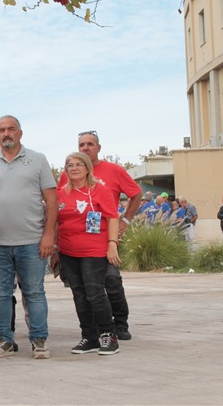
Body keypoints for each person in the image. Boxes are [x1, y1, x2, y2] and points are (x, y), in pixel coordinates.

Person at [0, 115, 57, 359]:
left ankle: (39, 340)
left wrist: (48, 236)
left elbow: (52, 201)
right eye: (1, 130)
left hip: (32, 242)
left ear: (20, 133)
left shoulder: (37, 160)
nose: (6, 133)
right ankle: (4, 341)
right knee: (0, 294)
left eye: (11, 129)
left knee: (34, 293)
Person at [60, 130, 142, 340]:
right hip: (77, 243)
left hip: (106, 238)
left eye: (90, 144)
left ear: (98, 148)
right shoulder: (69, 173)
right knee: (85, 288)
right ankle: (95, 330)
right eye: (82, 145)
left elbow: (136, 194)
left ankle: (120, 323)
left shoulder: (114, 170)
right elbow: (61, 202)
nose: (85, 148)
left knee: (112, 280)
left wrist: (125, 220)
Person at [55, 152, 121, 356]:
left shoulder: (100, 190)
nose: (74, 168)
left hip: (94, 250)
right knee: (79, 294)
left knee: (95, 293)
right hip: (68, 251)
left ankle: (108, 335)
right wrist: (55, 249)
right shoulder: (60, 193)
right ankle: (89, 337)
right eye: (70, 165)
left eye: (78, 164)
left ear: (87, 168)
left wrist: (112, 244)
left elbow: (112, 218)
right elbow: (55, 222)